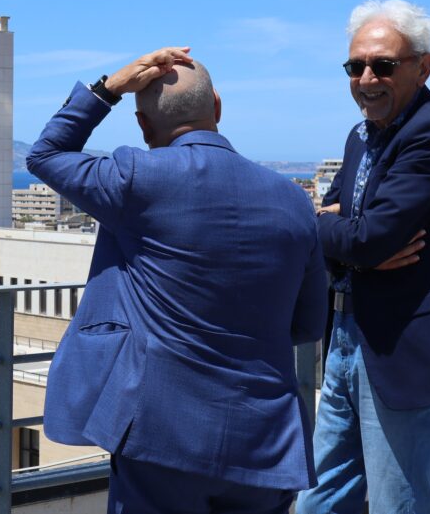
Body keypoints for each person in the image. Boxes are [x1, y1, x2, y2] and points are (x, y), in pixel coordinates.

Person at [28, 47, 328, 514]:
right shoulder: (292, 200)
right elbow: (308, 323)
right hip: (267, 439)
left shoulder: (136, 177)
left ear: (143, 126)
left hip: (160, 433)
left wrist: (109, 89)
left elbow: (46, 153)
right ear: (218, 107)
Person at [297, 0, 430, 514]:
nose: (367, 78)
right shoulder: (361, 135)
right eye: (356, 66)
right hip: (344, 336)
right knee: (319, 499)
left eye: (383, 65)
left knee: (397, 502)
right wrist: (345, 241)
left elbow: (369, 237)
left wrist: (332, 228)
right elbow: (353, 239)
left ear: (423, 67)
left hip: (400, 346)